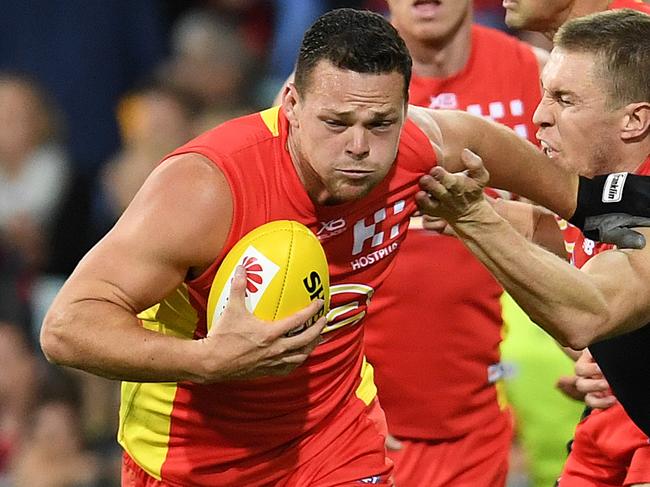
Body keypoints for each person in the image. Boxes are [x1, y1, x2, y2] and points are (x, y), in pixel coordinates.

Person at [40, 8, 650, 486]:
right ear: (292, 105)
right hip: (191, 461)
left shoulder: (415, 148)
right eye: (336, 124)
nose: (360, 146)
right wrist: (210, 360)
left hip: (334, 440)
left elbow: (490, 145)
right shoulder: (207, 189)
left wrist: (590, 203)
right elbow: (66, 328)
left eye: (381, 123)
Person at [416, 9, 650, 486]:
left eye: (564, 99)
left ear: (634, 120)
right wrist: (484, 215)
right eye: (545, 93)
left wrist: (475, 219)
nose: (539, 115)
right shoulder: (608, 188)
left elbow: (587, 314)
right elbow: (565, 233)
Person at [358, 2, 573, 486]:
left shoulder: (538, 77)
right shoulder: (337, 82)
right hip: (365, 418)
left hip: (499, 408)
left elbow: (594, 232)